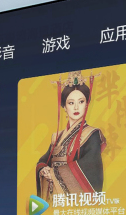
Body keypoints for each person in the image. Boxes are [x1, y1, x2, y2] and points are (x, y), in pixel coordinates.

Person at [34, 74, 105, 203]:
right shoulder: (57, 136)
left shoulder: (92, 134)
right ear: (64, 107)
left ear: (87, 104)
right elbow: (45, 159)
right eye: (71, 103)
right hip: (54, 196)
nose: (76, 107)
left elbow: (91, 165)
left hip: (74, 200)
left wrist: (54, 173)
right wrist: (43, 169)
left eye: (81, 102)